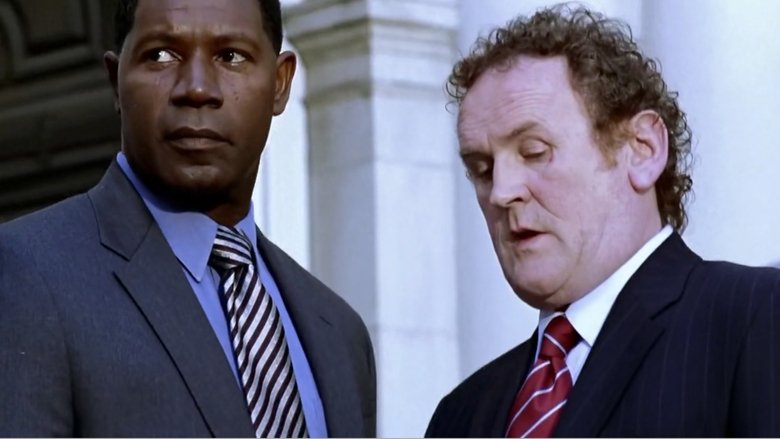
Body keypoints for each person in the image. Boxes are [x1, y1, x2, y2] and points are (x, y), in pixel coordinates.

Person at [0, 0, 375, 436]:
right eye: (161, 54)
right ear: (115, 80)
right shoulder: (28, 275)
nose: (197, 89)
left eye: (231, 56)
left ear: (280, 83)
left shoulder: (340, 334)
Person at [426, 4, 780, 438]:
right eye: (482, 170)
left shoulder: (758, 319)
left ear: (642, 149)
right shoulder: (461, 414)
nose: (501, 191)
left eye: (534, 152)